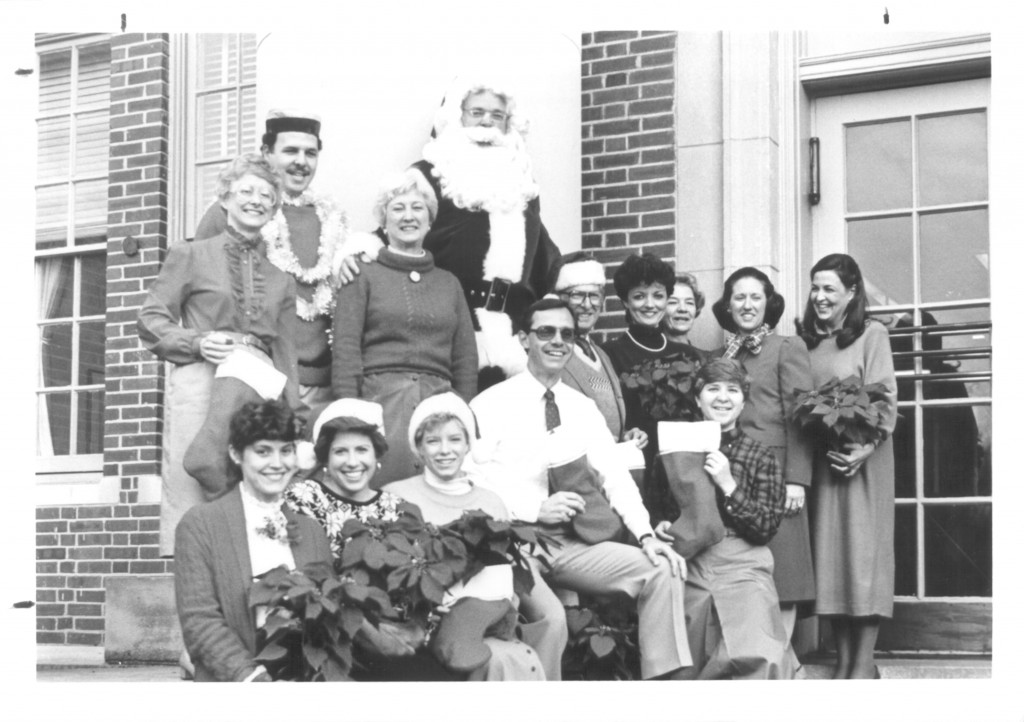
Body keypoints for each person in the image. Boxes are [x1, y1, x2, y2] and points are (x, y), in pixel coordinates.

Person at [470, 298, 692, 680]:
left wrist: (644, 534)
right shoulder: (490, 404)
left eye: (567, 334)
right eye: (546, 332)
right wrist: (532, 508)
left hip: (573, 544)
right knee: (551, 618)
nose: (558, 341)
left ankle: (662, 688)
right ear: (524, 339)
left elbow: (615, 475)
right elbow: (471, 482)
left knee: (660, 568)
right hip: (515, 542)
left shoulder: (582, 407)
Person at [288, 397, 542, 681]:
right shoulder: (305, 497)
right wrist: (376, 635)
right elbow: (312, 579)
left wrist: (419, 622)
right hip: (338, 630)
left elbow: (415, 582)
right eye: (340, 451)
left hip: (400, 631)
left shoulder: (397, 507)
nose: (352, 462)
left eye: (362, 449)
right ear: (324, 458)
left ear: (376, 457)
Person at [337, 77, 562, 389]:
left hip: (514, 336)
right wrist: (357, 251)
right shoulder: (429, 174)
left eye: (497, 116)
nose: (487, 123)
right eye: (477, 112)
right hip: (453, 335)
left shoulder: (523, 185)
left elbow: (543, 256)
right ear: (457, 116)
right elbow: (397, 228)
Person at [138, 154, 300, 555]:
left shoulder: (281, 279)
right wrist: (195, 342)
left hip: (257, 386)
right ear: (224, 198)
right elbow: (150, 319)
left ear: (275, 208)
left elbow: (286, 356)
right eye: (246, 191)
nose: (256, 200)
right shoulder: (190, 254)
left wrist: (294, 417)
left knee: (251, 494)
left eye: (267, 195)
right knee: (197, 484)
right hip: (200, 378)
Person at [195, 111, 374, 418]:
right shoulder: (232, 212)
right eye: (290, 151)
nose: (301, 162)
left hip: (324, 385)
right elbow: (199, 294)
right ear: (267, 153)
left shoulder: (333, 219)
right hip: (256, 374)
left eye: (310, 153)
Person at [385, 392, 562, 680]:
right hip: (435, 612)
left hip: (489, 605)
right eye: (433, 441)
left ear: (468, 444)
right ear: (419, 447)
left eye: (455, 439)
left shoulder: (490, 501)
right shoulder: (397, 495)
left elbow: (505, 568)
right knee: (494, 656)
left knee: (553, 620)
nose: (445, 450)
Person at [332, 170, 478, 485]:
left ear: (429, 220)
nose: (408, 217)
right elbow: (345, 349)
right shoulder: (361, 273)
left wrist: (462, 417)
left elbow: (465, 357)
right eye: (397, 208)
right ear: (383, 221)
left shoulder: (448, 283)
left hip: (439, 406)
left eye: (417, 208)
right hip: (379, 402)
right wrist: (351, 419)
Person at [174, 400, 332, 682]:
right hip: (236, 679)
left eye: (286, 450)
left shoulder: (312, 531)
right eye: (262, 451)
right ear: (236, 453)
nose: (277, 463)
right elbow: (200, 622)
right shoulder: (200, 524)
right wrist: (253, 680)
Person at [656, 358, 794, 679]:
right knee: (682, 659)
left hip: (744, 559)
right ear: (697, 398)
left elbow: (765, 528)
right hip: (689, 561)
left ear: (743, 402)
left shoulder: (759, 455)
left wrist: (728, 484)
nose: (722, 397)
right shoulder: (675, 449)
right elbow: (659, 510)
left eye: (732, 390)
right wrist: (661, 526)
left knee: (760, 652)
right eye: (713, 389)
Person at [798, 253, 897, 679]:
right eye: (815, 288)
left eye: (829, 290)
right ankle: (844, 660)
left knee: (863, 557)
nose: (819, 297)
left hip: (864, 460)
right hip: (824, 460)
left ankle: (863, 663)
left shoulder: (871, 334)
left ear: (852, 292)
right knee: (831, 559)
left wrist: (866, 448)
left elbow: (885, 396)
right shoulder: (804, 342)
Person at [709, 267, 815, 662]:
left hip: (777, 475)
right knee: (745, 570)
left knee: (783, 573)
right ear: (728, 305)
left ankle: (779, 661)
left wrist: (797, 480)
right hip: (732, 476)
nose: (747, 305)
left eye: (755, 297)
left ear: (768, 304)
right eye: (739, 297)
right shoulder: (724, 356)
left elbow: (800, 418)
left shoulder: (788, 347)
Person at [601, 253, 704, 517]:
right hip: (635, 467)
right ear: (625, 301)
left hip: (684, 469)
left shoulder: (689, 355)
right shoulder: (608, 354)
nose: (650, 304)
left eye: (658, 296)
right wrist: (623, 434)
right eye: (639, 296)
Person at [548, 252, 645, 447]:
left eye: (594, 295)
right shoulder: (550, 353)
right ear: (559, 298)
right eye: (577, 295)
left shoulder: (601, 354)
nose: (587, 305)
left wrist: (624, 435)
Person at [662, 272, 708, 352]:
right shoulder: (645, 358)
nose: (683, 309)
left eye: (689, 303)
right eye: (673, 302)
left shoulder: (705, 359)